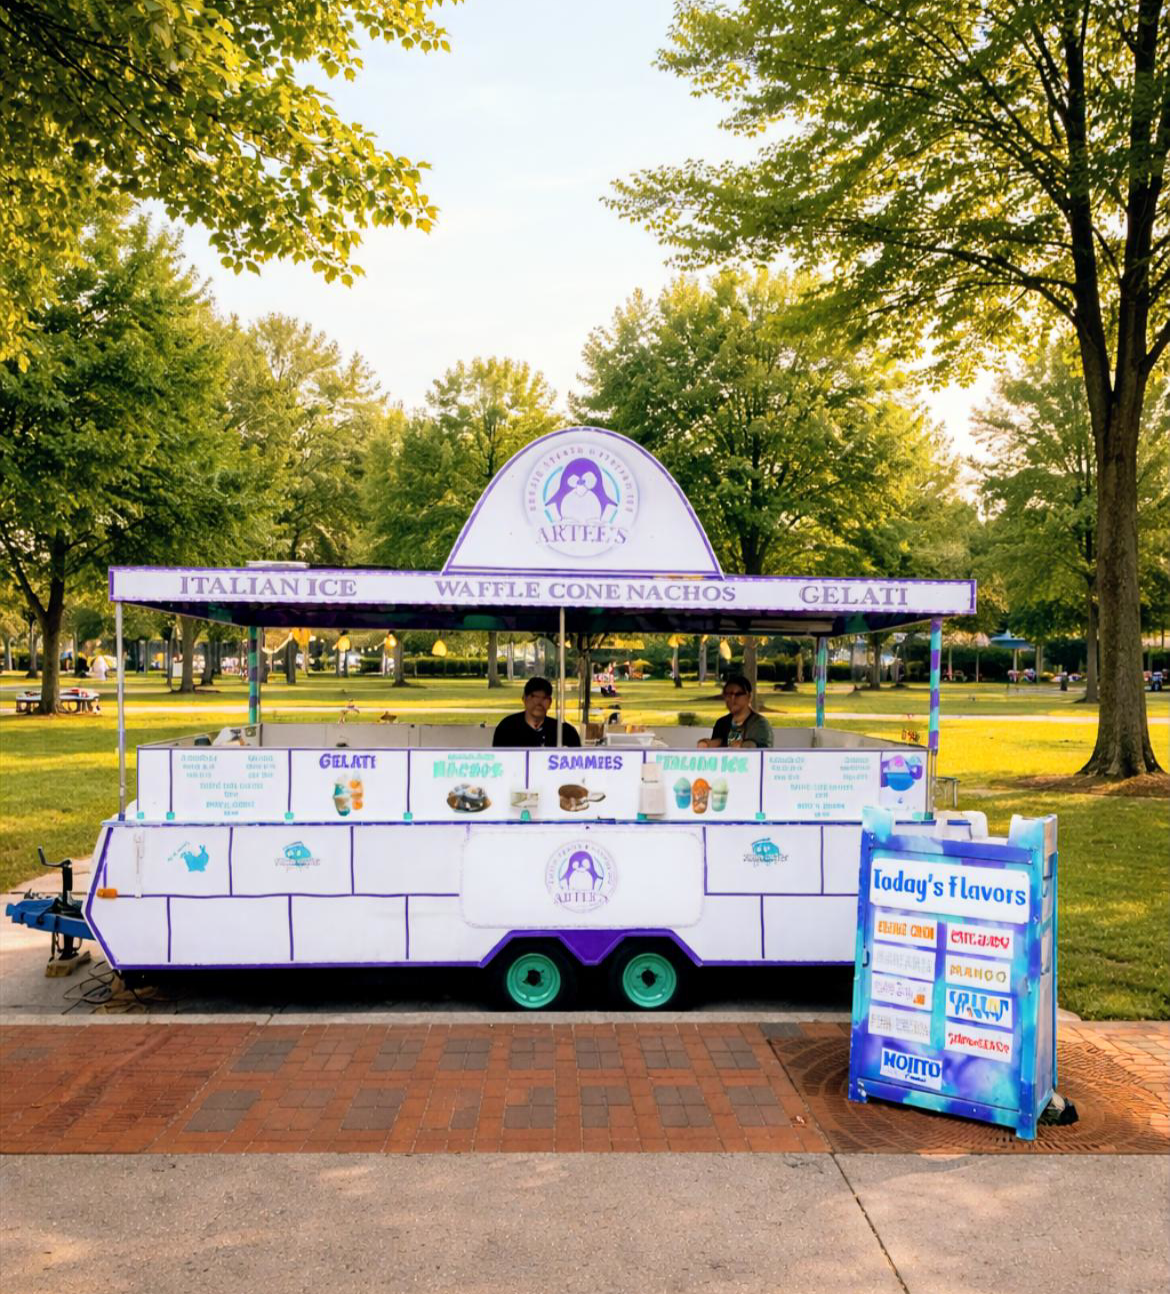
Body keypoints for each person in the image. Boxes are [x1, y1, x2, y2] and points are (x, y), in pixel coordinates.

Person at [492, 676, 581, 747]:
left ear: (550, 702)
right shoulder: (507, 728)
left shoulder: (565, 732)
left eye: (544, 698)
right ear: (524, 699)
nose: (539, 702)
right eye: (534, 697)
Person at [698, 673, 774, 748]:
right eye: (728, 694)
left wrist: (743, 746)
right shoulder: (721, 723)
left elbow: (759, 749)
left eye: (738, 694)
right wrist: (708, 744)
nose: (732, 698)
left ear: (749, 696)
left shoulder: (759, 724)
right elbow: (717, 745)